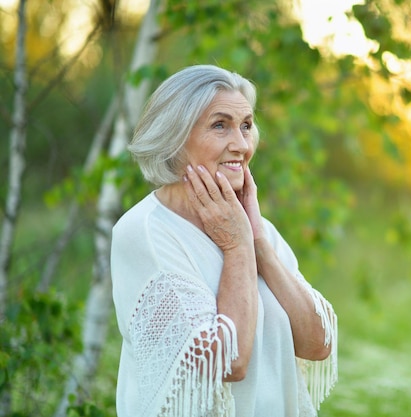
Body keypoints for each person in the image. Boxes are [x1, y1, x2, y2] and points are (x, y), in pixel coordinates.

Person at [110, 64, 338, 417]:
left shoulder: (259, 233)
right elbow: (227, 363)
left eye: (246, 125)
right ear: (176, 137)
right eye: (221, 125)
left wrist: (256, 240)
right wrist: (236, 247)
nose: (242, 145)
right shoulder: (145, 232)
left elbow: (317, 343)